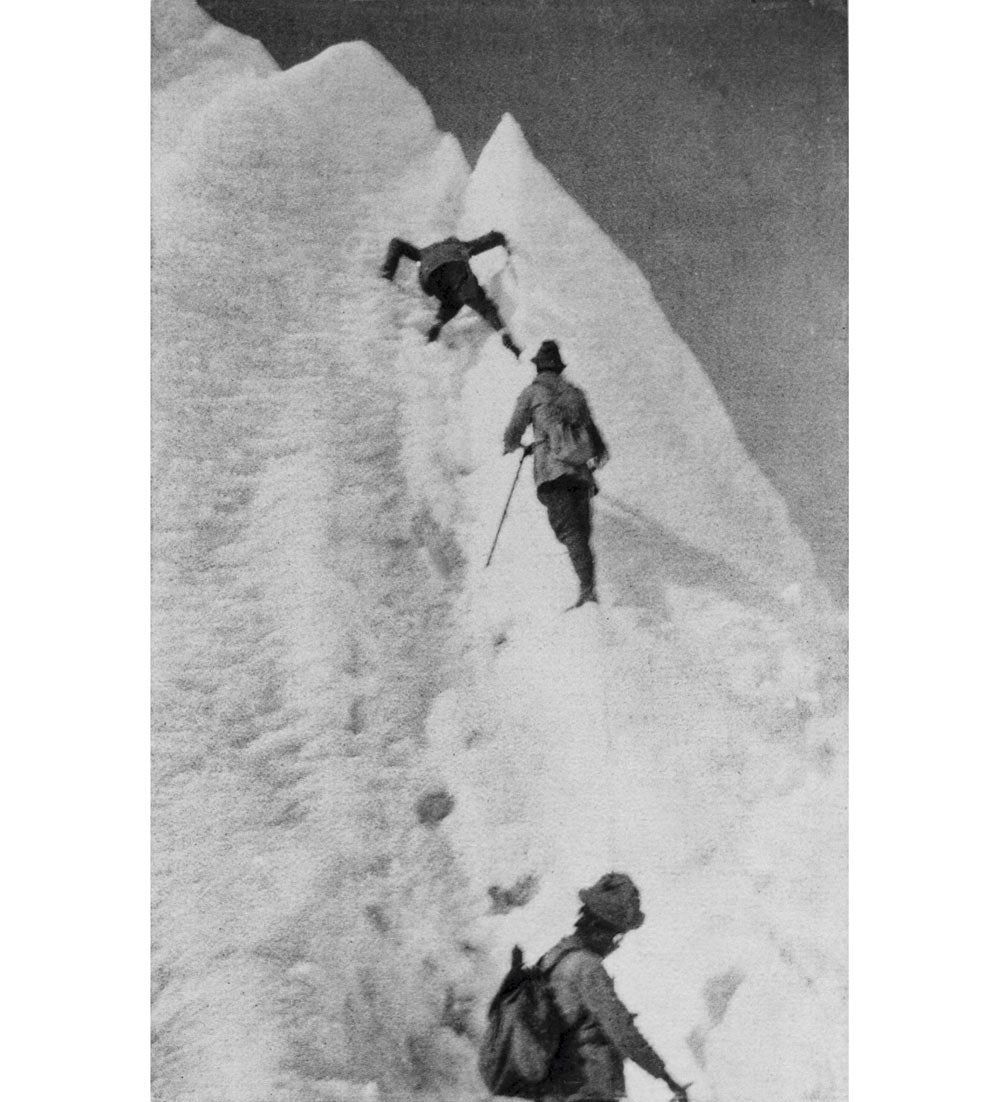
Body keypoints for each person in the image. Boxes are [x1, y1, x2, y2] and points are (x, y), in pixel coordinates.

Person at [539, 873, 690, 1102]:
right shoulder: (587, 967)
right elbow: (622, 1032)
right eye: (616, 937)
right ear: (601, 929)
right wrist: (665, 1076)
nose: (614, 945)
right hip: (584, 1088)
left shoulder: (554, 957)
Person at [502, 340, 608, 607]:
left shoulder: (532, 392)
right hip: (581, 475)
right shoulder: (576, 394)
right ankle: (589, 587)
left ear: (538, 367)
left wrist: (514, 446)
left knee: (568, 530)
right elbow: (595, 438)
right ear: (559, 369)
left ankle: (587, 592)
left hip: (551, 472)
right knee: (580, 531)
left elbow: (513, 432)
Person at [380, 231, 522, 356]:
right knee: (481, 304)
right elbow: (489, 239)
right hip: (455, 269)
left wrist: (387, 274)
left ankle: (437, 325)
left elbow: (396, 243)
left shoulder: (423, 252)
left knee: (452, 300)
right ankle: (505, 335)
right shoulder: (458, 246)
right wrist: (503, 241)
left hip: (430, 278)